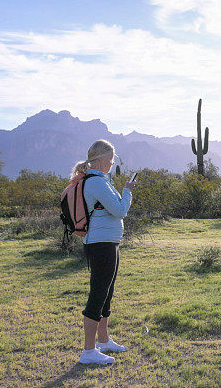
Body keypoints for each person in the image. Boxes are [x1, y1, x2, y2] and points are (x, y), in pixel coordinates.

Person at [70, 139, 135, 365]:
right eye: (110, 158)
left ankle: (104, 340)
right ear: (99, 159)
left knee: (106, 292)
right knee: (98, 293)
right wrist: (127, 192)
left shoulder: (102, 180)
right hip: (100, 244)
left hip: (108, 243)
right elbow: (119, 210)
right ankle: (88, 351)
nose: (112, 162)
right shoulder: (96, 182)